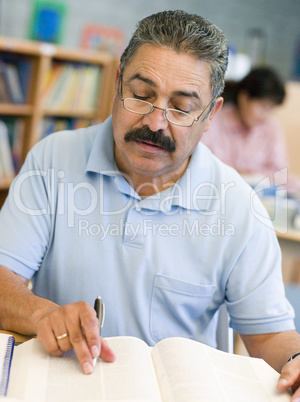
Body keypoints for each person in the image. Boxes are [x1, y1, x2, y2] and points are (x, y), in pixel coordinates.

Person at [0, 10, 299, 398]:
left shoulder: (240, 207)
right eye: (141, 95)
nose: (156, 122)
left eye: (181, 107)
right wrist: (44, 315)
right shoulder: (52, 160)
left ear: (211, 115)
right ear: (118, 83)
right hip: (64, 387)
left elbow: (269, 333)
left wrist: (295, 360)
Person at [202, 67, 288, 182]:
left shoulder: (270, 126)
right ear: (244, 98)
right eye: (263, 106)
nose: (266, 115)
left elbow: (281, 173)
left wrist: (251, 175)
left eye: (271, 108)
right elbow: (200, 164)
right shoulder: (215, 120)